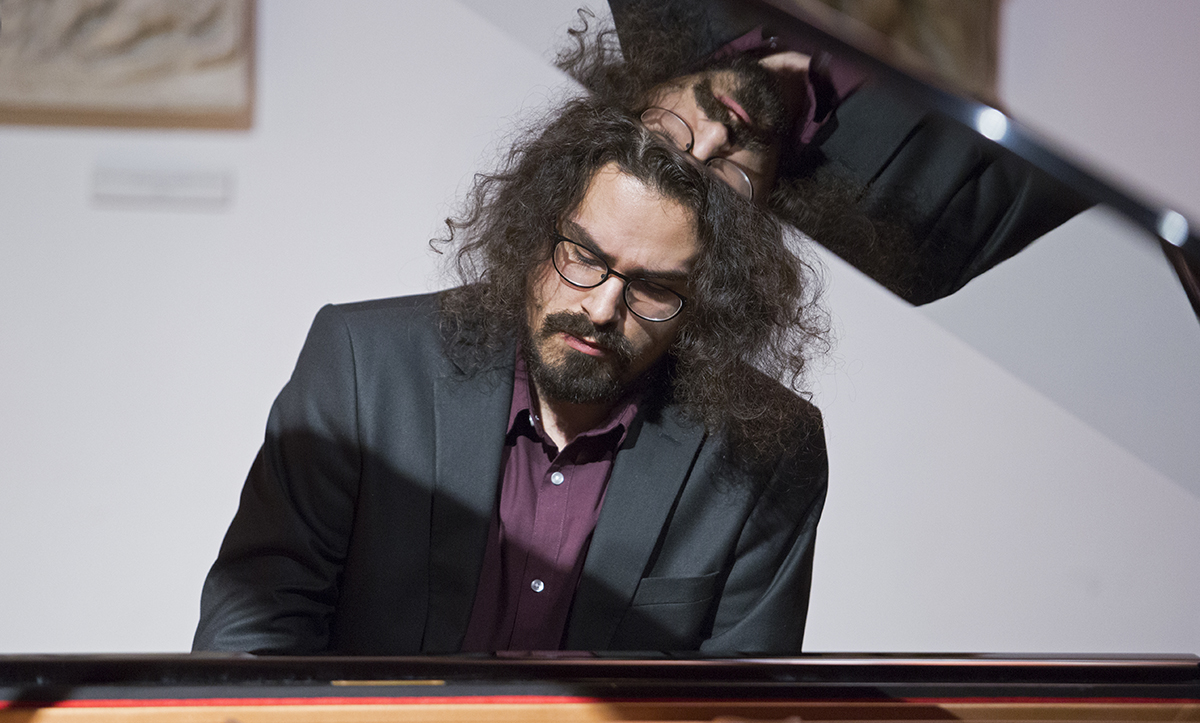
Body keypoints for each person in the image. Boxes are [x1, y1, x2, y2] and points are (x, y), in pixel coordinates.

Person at [192, 100, 829, 656]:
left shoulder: (767, 452)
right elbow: (253, 633)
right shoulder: (364, 366)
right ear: (532, 231)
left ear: (705, 308)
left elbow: (742, 710)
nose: (602, 308)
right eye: (584, 257)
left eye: (654, 288)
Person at [561, 0, 1091, 304]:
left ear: (631, 103)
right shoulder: (919, 230)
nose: (716, 136)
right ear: (755, 229)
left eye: (666, 142)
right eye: (717, 185)